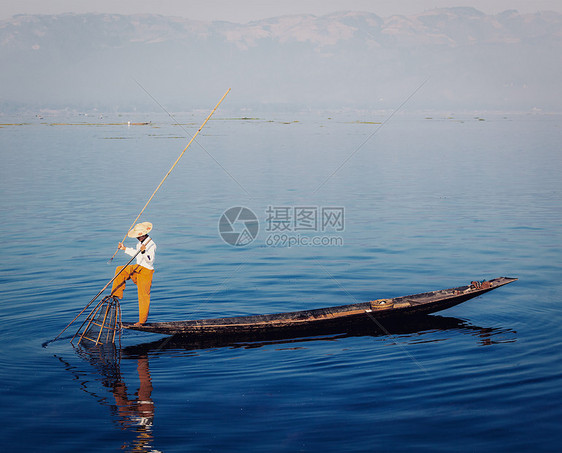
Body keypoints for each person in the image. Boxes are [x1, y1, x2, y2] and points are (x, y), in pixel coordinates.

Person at [111, 222, 156, 326]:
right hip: (137, 268)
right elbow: (137, 254)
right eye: (137, 236)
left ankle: (142, 321)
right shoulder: (140, 243)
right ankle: (116, 293)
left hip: (146, 272)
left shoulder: (151, 244)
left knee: (143, 296)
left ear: (144, 234)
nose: (138, 238)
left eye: (139, 236)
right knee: (120, 270)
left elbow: (150, 260)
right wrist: (124, 248)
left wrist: (144, 252)